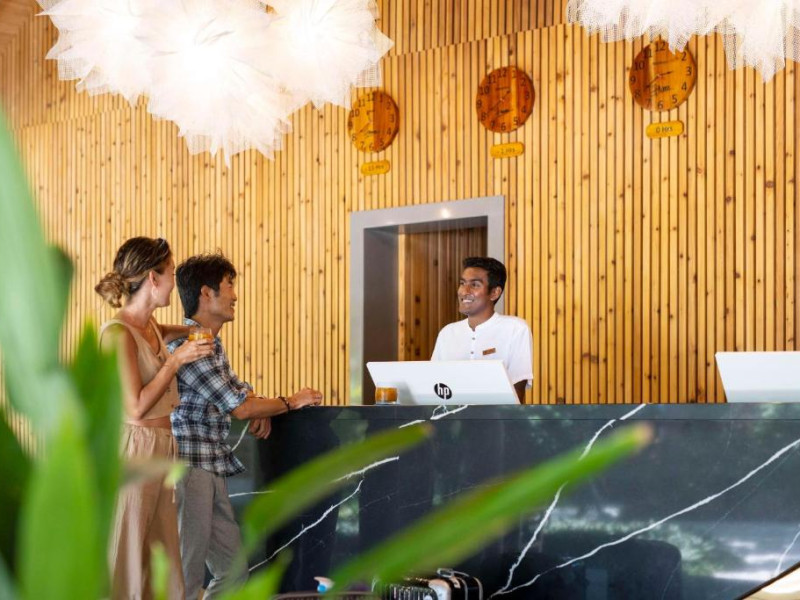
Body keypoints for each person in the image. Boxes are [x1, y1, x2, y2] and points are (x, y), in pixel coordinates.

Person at [168, 253, 322, 599]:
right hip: (189, 469)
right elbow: (239, 407)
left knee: (233, 572)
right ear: (206, 293)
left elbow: (240, 392)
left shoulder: (210, 344)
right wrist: (289, 401)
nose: (235, 295)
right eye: (229, 285)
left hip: (210, 466)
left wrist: (260, 405)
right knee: (185, 579)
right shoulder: (190, 346)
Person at [96, 236, 215, 600]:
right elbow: (135, 406)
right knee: (126, 553)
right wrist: (177, 360)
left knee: (161, 555)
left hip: (163, 448)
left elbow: (161, 332)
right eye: (171, 273)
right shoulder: (117, 334)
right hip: (134, 452)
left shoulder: (149, 327)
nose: (174, 282)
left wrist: (193, 332)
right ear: (153, 278)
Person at [431, 256, 533, 403]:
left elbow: (517, 393)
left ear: (494, 293)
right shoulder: (447, 333)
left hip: (497, 416)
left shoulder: (516, 329)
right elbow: (434, 386)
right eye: (462, 283)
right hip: (450, 416)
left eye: (474, 285)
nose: (464, 291)